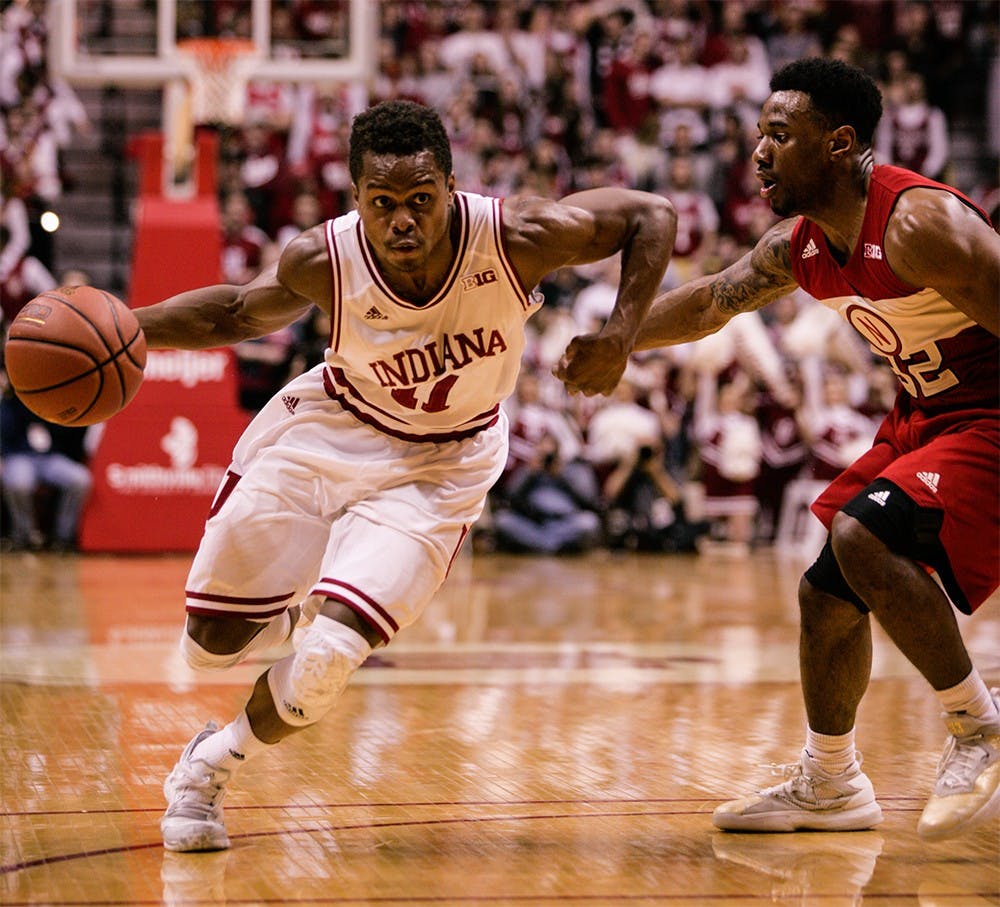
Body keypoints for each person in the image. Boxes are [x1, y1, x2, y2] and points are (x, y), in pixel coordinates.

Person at [133, 99, 677, 852]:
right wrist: (125, 325)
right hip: (332, 430)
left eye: (420, 201)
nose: (403, 222)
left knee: (326, 661)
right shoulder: (322, 259)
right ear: (356, 198)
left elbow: (651, 214)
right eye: (382, 204)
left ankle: (209, 765)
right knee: (210, 642)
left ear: (451, 187)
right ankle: (292, 600)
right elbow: (232, 313)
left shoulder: (515, 236)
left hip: (443, 464)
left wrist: (620, 336)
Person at [602, 57, 999, 840]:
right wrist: (616, 339)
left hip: (990, 416)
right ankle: (830, 782)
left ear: (840, 143)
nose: (758, 152)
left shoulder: (921, 225)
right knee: (826, 595)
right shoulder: (801, 246)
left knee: (861, 533)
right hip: (926, 414)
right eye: (758, 134)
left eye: (780, 135)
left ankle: (978, 728)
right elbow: (712, 300)